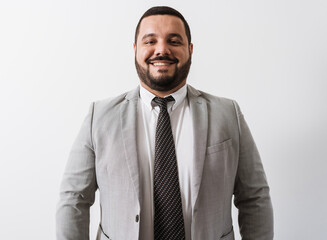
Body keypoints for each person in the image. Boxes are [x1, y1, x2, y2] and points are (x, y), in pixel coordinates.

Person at [56, 6, 273, 240]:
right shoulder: (99, 116)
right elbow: (74, 199)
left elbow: (254, 198)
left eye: (174, 41)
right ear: (135, 49)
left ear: (190, 50)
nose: (162, 49)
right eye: (150, 41)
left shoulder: (228, 113)